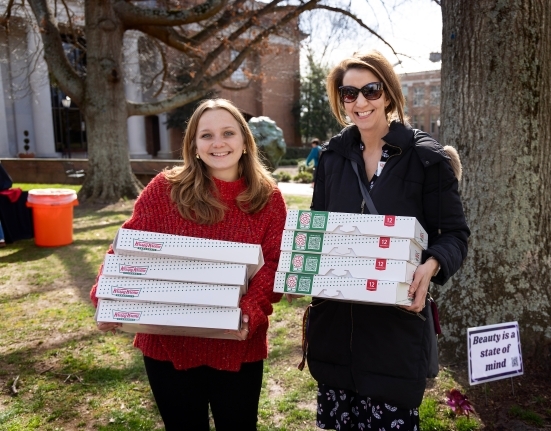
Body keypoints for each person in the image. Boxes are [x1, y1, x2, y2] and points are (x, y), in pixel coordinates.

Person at [90, 99, 287, 431]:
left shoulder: (268, 198)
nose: (218, 143)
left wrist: (250, 311)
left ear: (244, 139)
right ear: (193, 145)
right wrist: (107, 299)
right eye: (206, 135)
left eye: (227, 132)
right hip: (167, 345)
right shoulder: (165, 190)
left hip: (237, 344)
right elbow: (127, 247)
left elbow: (274, 264)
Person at [301, 50, 470, 430]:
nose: (360, 102)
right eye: (349, 93)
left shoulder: (427, 158)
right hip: (335, 334)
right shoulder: (331, 158)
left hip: (394, 336)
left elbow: (455, 234)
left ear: (389, 94)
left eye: (371, 90)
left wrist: (432, 264)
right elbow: (318, 229)